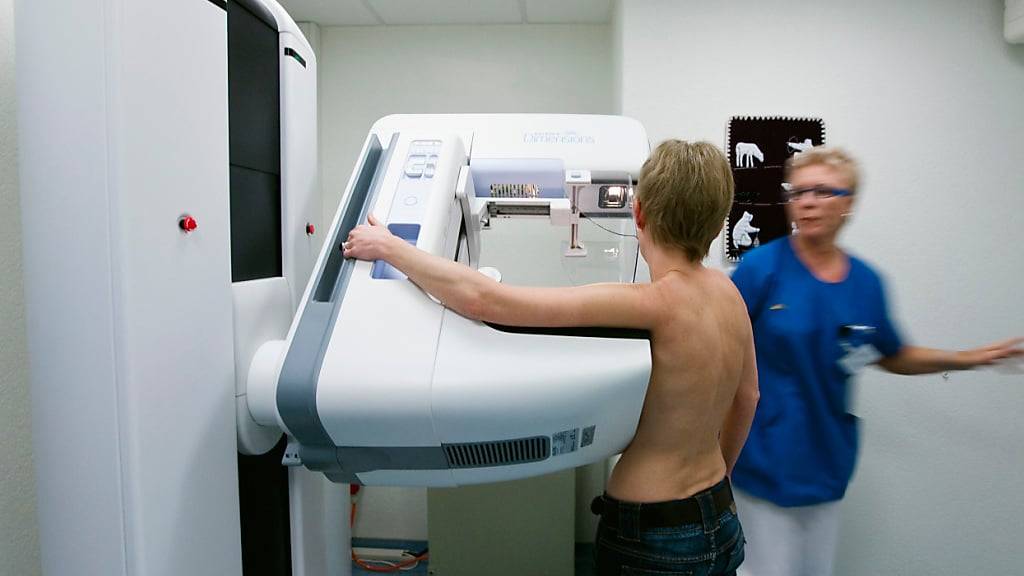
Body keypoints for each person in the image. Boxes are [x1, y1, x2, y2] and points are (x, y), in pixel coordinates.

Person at [344, 140, 759, 576]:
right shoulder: (729, 295)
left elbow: (486, 299)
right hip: (720, 515)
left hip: (655, 536)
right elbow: (749, 396)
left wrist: (391, 247)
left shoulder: (652, 303)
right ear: (719, 223)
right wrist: (721, 478)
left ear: (638, 213)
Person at [728, 146, 1023, 576]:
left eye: (822, 191)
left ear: (848, 202)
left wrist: (969, 359)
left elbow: (894, 354)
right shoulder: (761, 269)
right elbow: (721, 347)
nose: (807, 202)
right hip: (762, 459)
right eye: (798, 191)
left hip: (826, 461)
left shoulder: (866, 283)